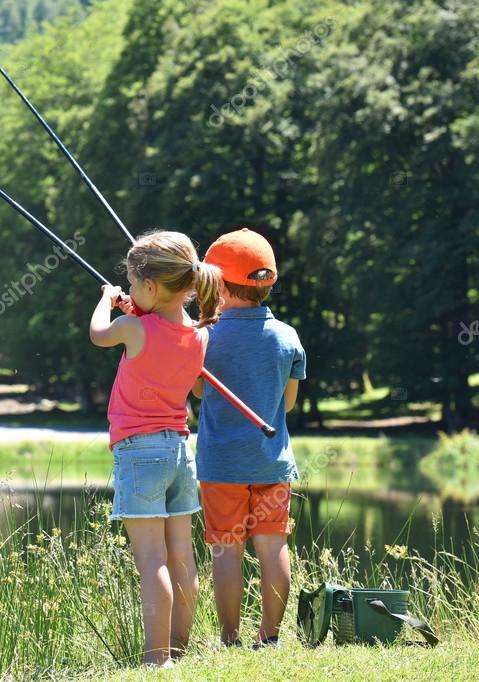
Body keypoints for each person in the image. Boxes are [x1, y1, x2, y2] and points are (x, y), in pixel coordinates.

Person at [89, 230, 222, 667]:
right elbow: (180, 361)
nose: (126, 289)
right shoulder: (200, 335)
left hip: (138, 452)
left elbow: (97, 335)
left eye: (129, 283)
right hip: (181, 452)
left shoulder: (130, 326)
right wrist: (136, 310)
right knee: (181, 556)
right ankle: (178, 652)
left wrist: (108, 300)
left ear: (149, 287)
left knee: (151, 561)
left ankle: (155, 659)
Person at [191, 228, 306, 649]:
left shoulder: (206, 336)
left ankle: (230, 639)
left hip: (222, 465)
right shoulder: (288, 337)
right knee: (273, 545)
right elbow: (288, 404)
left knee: (226, 551)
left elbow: (201, 392)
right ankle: (272, 636)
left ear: (217, 283)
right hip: (273, 463)